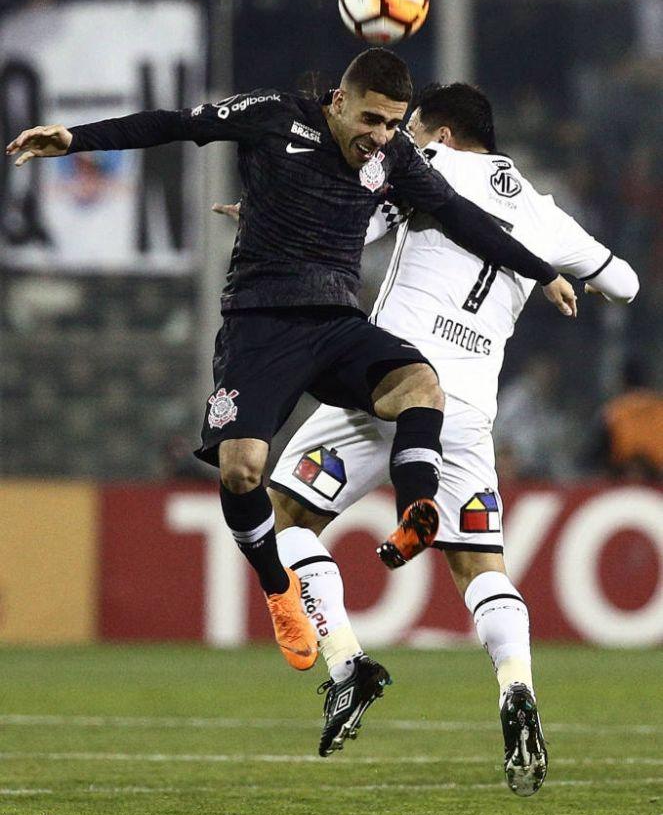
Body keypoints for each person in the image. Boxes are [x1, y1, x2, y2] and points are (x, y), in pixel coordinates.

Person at [5, 51, 576, 676]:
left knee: (420, 384)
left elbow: (463, 217)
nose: (380, 136)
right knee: (243, 471)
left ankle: (416, 509)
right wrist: (73, 139)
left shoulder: (394, 159)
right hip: (261, 325)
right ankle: (279, 590)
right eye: (370, 120)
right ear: (338, 102)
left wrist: (541, 270)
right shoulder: (275, 118)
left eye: (392, 124)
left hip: (335, 324)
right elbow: (173, 123)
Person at [261, 82, 638, 793]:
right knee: (480, 567)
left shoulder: (418, 165)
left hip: (388, 384)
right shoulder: (546, 214)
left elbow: (350, 217)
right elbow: (625, 282)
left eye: (414, 128)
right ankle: (515, 687)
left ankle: (347, 663)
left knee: (281, 515)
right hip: (468, 409)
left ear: (438, 132)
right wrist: (574, 278)